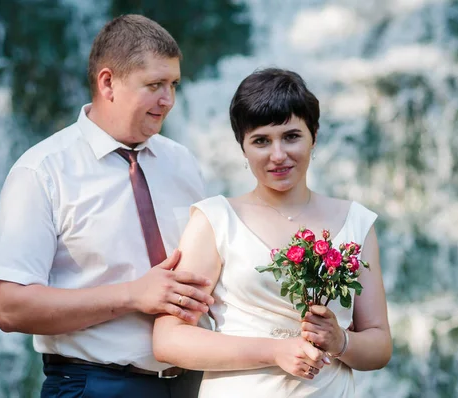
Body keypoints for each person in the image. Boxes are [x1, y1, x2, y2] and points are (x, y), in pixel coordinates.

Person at [0, 14, 215, 398]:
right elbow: (9, 307)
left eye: (173, 84)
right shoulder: (41, 172)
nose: (169, 100)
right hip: (94, 384)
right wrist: (132, 295)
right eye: (155, 85)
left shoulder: (183, 162)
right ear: (108, 82)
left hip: (195, 383)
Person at [152, 68, 392, 397]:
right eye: (261, 141)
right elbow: (168, 340)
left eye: (291, 136)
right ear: (243, 147)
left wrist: (341, 340)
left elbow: (379, 345)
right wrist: (273, 351)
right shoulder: (215, 219)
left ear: (314, 136)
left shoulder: (356, 223)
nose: (278, 155)